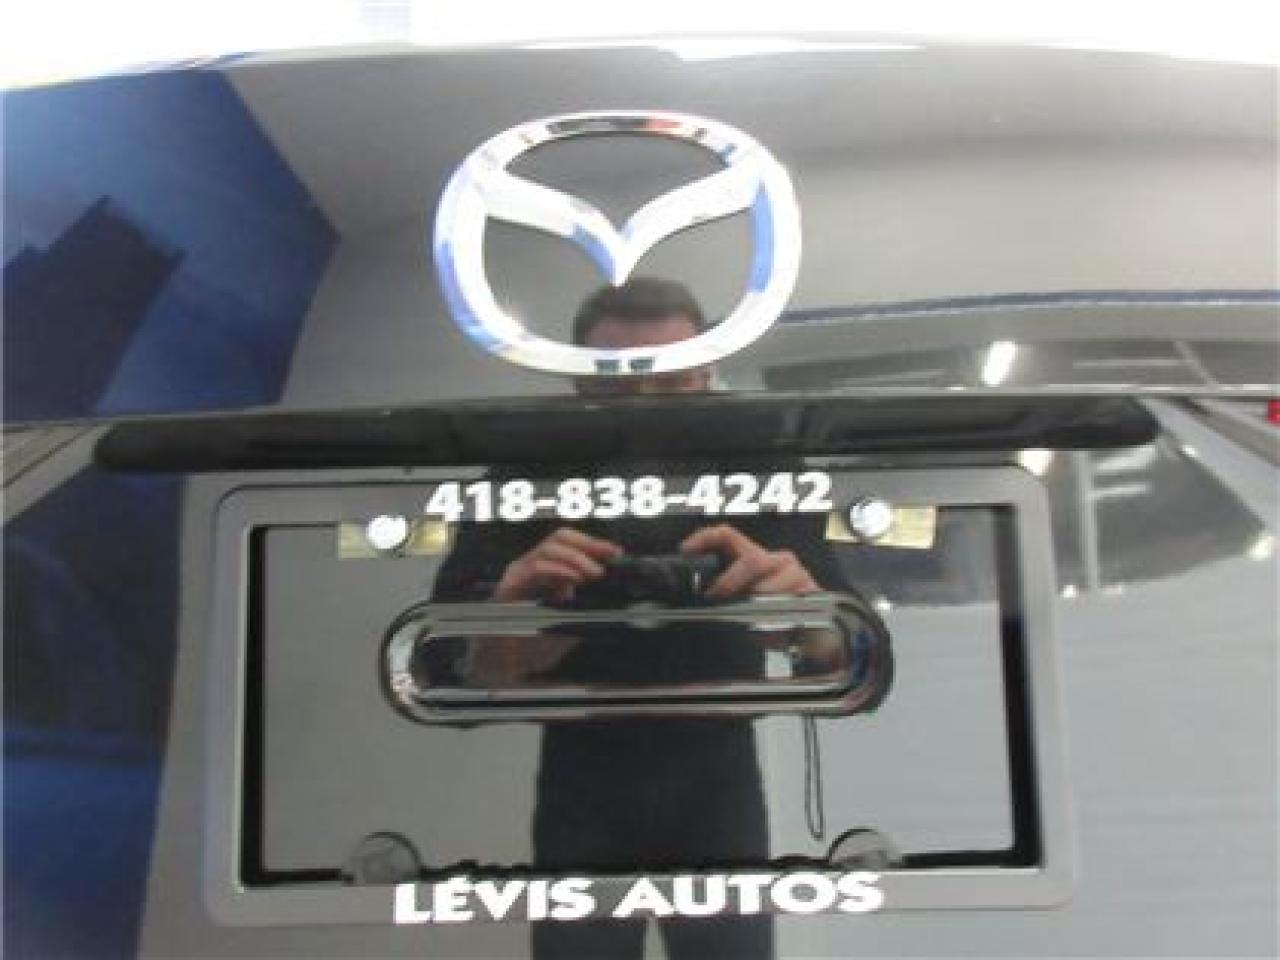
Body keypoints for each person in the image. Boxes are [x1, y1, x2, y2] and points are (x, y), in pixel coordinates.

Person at [431, 277, 852, 959]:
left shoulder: (761, 462)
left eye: (672, 382)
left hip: (709, 758)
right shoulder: (526, 470)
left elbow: (860, 653)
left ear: (707, 375)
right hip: (589, 763)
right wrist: (503, 622)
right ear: (579, 383)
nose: (646, 406)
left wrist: (808, 616)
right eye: (618, 385)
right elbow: (437, 666)